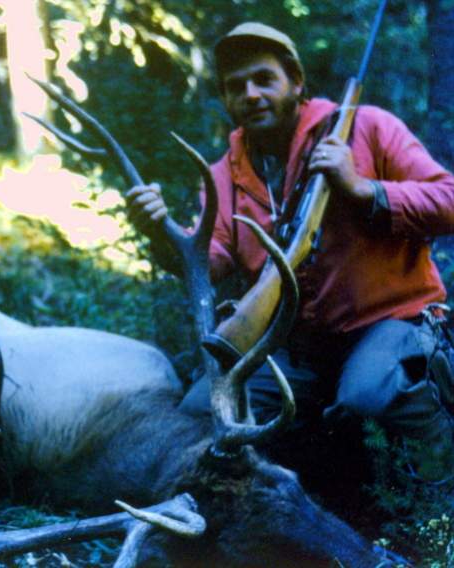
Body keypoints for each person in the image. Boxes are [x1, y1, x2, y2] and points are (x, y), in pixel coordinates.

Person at [127, 22, 454, 479]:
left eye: (265, 79)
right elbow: (213, 259)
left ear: (296, 83)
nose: (252, 94)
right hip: (299, 348)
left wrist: (364, 190)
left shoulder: (368, 128)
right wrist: (159, 233)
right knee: (200, 413)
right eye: (236, 87)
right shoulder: (225, 174)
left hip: (392, 324)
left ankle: (438, 487)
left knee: (366, 395)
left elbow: (449, 199)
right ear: (225, 99)